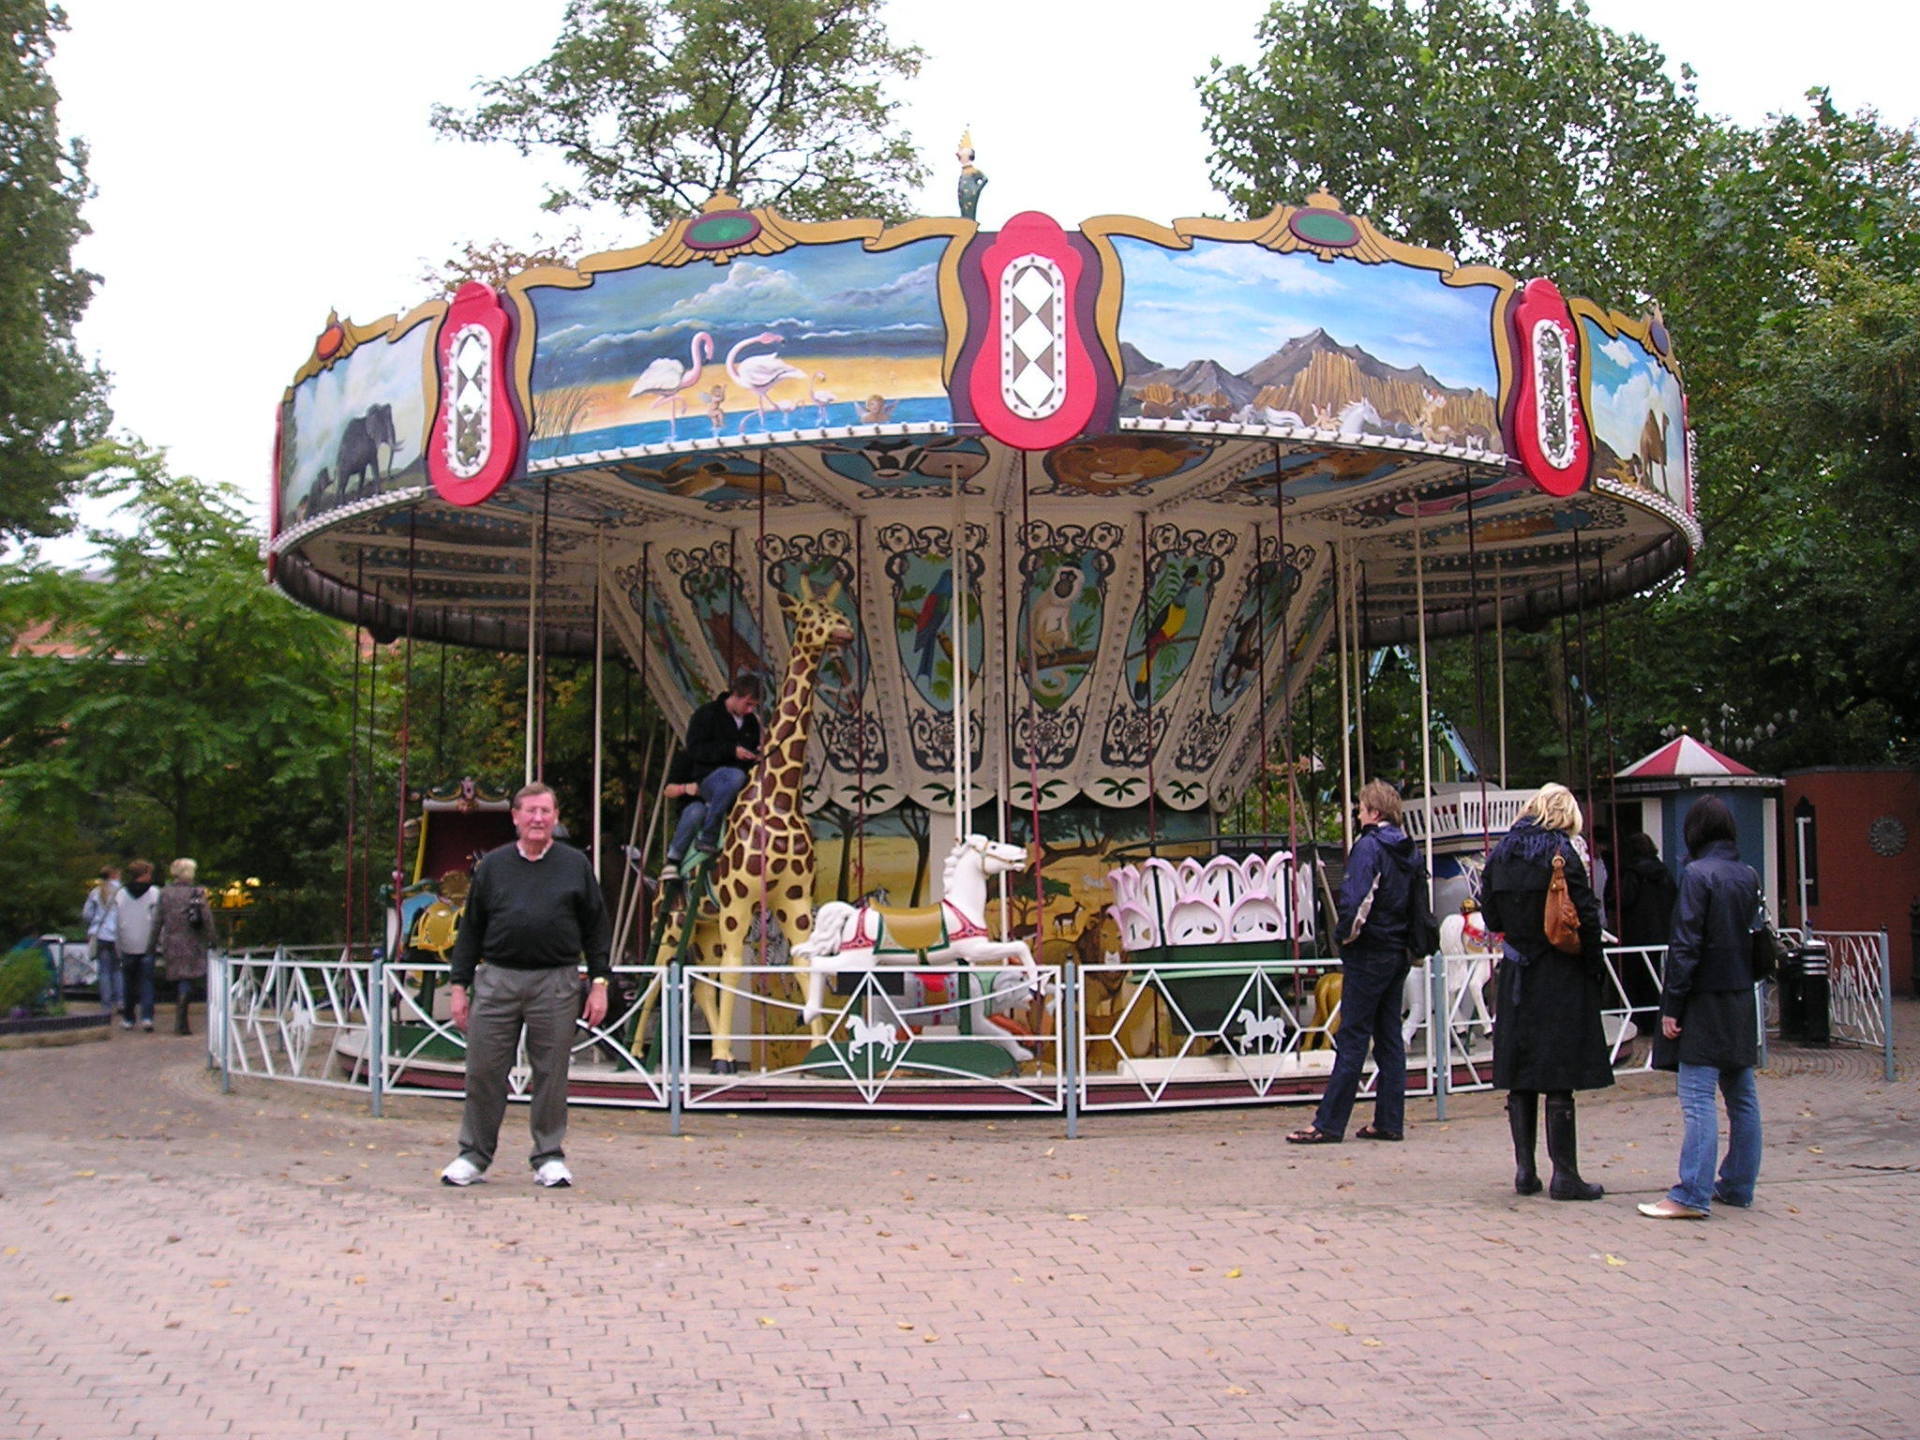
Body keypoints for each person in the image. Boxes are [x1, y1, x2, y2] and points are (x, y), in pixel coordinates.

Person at [441, 783, 611, 1189]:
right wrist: (460, 985)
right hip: (498, 979)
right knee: (483, 1069)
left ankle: (549, 1156)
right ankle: (473, 1155)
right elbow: (471, 931)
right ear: (515, 817)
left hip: (556, 982)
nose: (538, 818)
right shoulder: (493, 867)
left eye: (546, 811)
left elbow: (597, 929)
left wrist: (600, 983)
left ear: (555, 817)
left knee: (551, 1072)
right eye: (531, 811)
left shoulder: (575, 866)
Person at [1481, 782, 1613, 1200]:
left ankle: (1525, 1171)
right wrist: (1595, 969)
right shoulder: (1562, 854)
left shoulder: (1500, 853)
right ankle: (1565, 1174)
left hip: (1517, 972)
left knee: (1520, 1075)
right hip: (1559, 973)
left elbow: (1490, 914)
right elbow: (1587, 916)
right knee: (1558, 1076)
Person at [1639, 797, 1764, 1220]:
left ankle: (1691, 1192)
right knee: (1741, 1096)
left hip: (1703, 998)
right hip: (1740, 995)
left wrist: (1672, 1006)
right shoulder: (1748, 875)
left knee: (1697, 1098)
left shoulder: (1696, 874)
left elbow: (1686, 944)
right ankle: (1738, 1185)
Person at [1288, 779, 1424, 1145]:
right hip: (1398, 951)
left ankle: (1328, 1123)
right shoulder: (1409, 850)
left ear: (1374, 813)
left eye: (1362, 807)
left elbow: (1357, 900)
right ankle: (1389, 1120)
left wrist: (1344, 935)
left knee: (1351, 1037)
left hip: (1370, 951)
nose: (1357, 812)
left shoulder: (1370, 847)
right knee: (1389, 1039)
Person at [661, 673, 763, 882]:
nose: (750, 710)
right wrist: (731, 751)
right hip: (710, 779)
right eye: (748, 704)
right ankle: (694, 844)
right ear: (736, 695)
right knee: (700, 806)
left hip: (737, 785)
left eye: (754, 706)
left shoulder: (751, 722)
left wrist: (756, 755)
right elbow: (696, 749)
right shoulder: (706, 715)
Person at [1616, 832, 1678, 1046]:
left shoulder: (1632, 873)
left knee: (1633, 979)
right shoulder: (1663, 872)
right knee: (1653, 978)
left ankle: (1636, 1021)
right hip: (1658, 933)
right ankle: (1653, 1021)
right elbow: (1673, 899)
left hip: (1635, 933)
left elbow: (1625, 900)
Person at [154, 858, 214, 1036]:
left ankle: (181, 1019)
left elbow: (158, 920)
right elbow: (207, 919)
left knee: (181, 978)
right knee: (189, 978)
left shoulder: (165, 893)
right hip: (192, 941)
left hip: (172, 941)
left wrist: (151, 945)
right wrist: (212, 939)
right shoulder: (196, 892)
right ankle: (182, 1020)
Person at [112, 860, 160, 1032]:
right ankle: (147, 1017)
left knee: (128, 982)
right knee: (147, 981)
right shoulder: (154, 893)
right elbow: (156, 920)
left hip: (127, 942)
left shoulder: (121, 894)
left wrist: (118, 942)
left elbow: (116, 920)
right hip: (147, 942)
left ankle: (128, 1018)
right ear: (145, 873)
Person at [83, 867, 121, 1016]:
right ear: (114, 875)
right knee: (118, 970)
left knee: (104, 971)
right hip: (117, 936)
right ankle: (120, 1000)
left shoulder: (95, 892)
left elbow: (87, 914)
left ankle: (106, 1005)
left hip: (100, 935)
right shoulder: (121, 892)